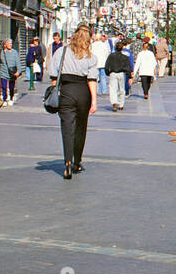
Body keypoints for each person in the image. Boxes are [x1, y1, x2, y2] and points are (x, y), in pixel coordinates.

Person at [48, 25, 98, 178]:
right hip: (83, 91)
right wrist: (94, 101)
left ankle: (68, 162)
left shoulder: (61, 52)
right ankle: (77, 161)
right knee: (81, 128)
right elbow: (92, 80)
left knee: (67, 128)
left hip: (66, 91)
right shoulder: (90, 56)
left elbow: (53, 77)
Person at [105, 40, 132, 111]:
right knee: (121, 89)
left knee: (113, 88)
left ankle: (114, 102)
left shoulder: (111, 56)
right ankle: (121, 104)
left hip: (113, 73)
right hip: (122, 73)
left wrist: (107, 72)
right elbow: (128, 67)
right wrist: (129, 76)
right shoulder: (125, 57)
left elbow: (107, 65)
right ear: (122, 48)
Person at [0, 38, 21, 106]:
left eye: (11, 43)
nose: (11, 45)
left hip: (12, 73)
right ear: (5, 44)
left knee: (11, 87)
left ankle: (11, 98)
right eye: (9, 43)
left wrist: (18, 71)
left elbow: (18, 62)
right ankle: (4, 99)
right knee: (4, 86)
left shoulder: (14, 52)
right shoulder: (1, 53)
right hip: (3, 72)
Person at [91, 31, 112, 97]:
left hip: (95, 63)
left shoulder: (92, 45)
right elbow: (108, 53)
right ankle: (104, 92)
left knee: (95, 78)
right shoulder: (104, 44)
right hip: (103, 63)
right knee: (103, 77)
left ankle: (96, 92)